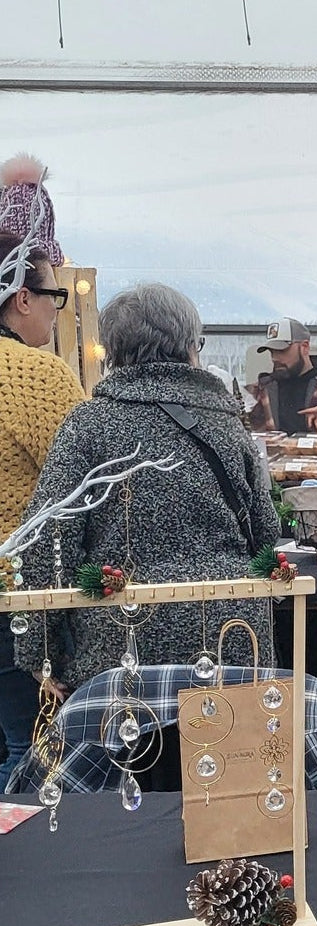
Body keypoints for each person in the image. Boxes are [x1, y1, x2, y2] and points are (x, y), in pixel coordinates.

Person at [16, 284, 280, 695]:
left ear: (113, 350)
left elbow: (49, 539)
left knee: (127, 739)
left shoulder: (89, 424)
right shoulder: (226, 425)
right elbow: (265, 533)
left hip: (123, 637)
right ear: (189, 348)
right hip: (230, 635)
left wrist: (39, 652)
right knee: (232, 736)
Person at [0, 230, 86, 790]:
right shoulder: (35, 375)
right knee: (31, 753)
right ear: (22, 297)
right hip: (16, 598)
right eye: (54, 295)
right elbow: (91, 483)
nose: (58, 310)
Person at [248, 317, 317, 434]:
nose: (274, 358)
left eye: (282, 350)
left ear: (305, 347)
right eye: (272, 351)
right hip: (275, 446)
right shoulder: (263, 388)